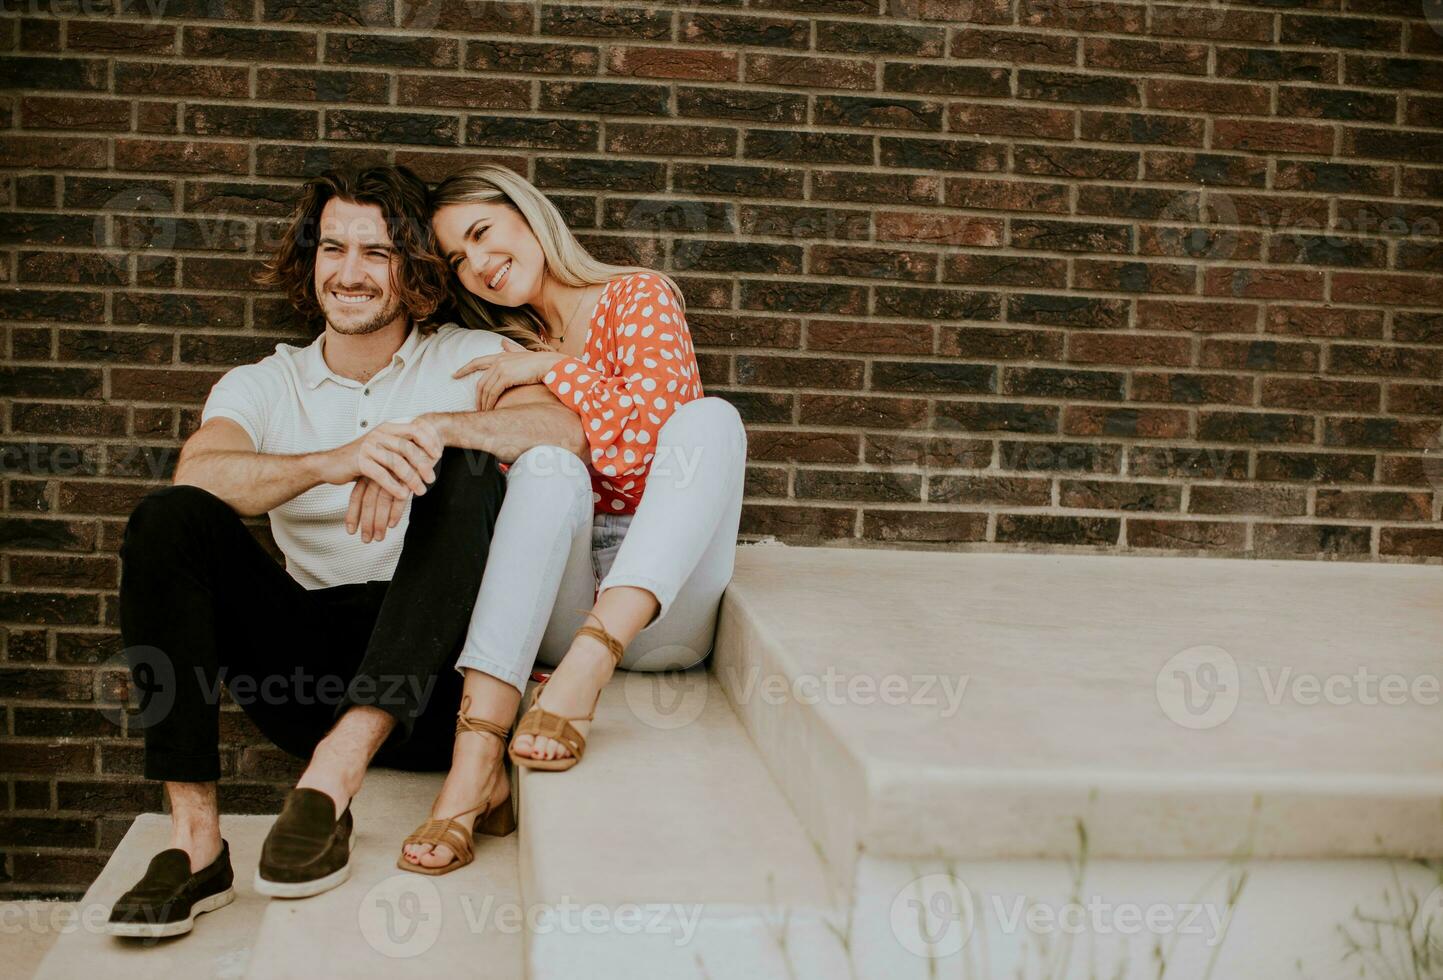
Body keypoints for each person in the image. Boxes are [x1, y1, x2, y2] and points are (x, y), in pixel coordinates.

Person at [105, 164, 586, 937]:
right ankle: (196, 847)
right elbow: (201, 473)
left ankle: (334, 779)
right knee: (168, 518)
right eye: (333, 249)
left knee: (467, 469)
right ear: (311, 262)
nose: (350, 273)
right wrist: (339, 459)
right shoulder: (265, 383)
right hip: (307, 677)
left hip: (441, 685)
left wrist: (432, 431)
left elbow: (565, 434)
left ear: (415, 272)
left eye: (376, 253)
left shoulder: (468, 356)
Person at [396, 164, 748, 873]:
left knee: (710, 420)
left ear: (528, 215)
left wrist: (556, 372)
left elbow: (650, 441)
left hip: (661, 607)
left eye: (483, 233)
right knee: (547, 466)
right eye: (458, 261)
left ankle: (591, 662)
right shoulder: (500, 351)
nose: (480, 266)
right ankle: (474, 765)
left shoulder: (634, 296)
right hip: (557, 604)